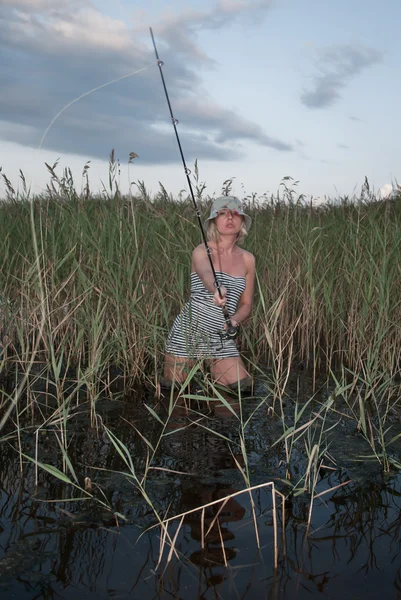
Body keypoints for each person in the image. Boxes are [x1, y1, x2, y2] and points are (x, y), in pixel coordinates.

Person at [162, 196, 255, 391]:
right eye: (222, 213)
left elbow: (246, 304)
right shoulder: (201, 251)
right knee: (175, 395)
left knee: (241, 391)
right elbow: (205, 273)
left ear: (242, 222)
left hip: (221, 335)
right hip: (188, 331)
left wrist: (234, 321)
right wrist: (216, 289)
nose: (229, 218)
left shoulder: (248, 259)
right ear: (214, 222)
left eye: (235, 214)